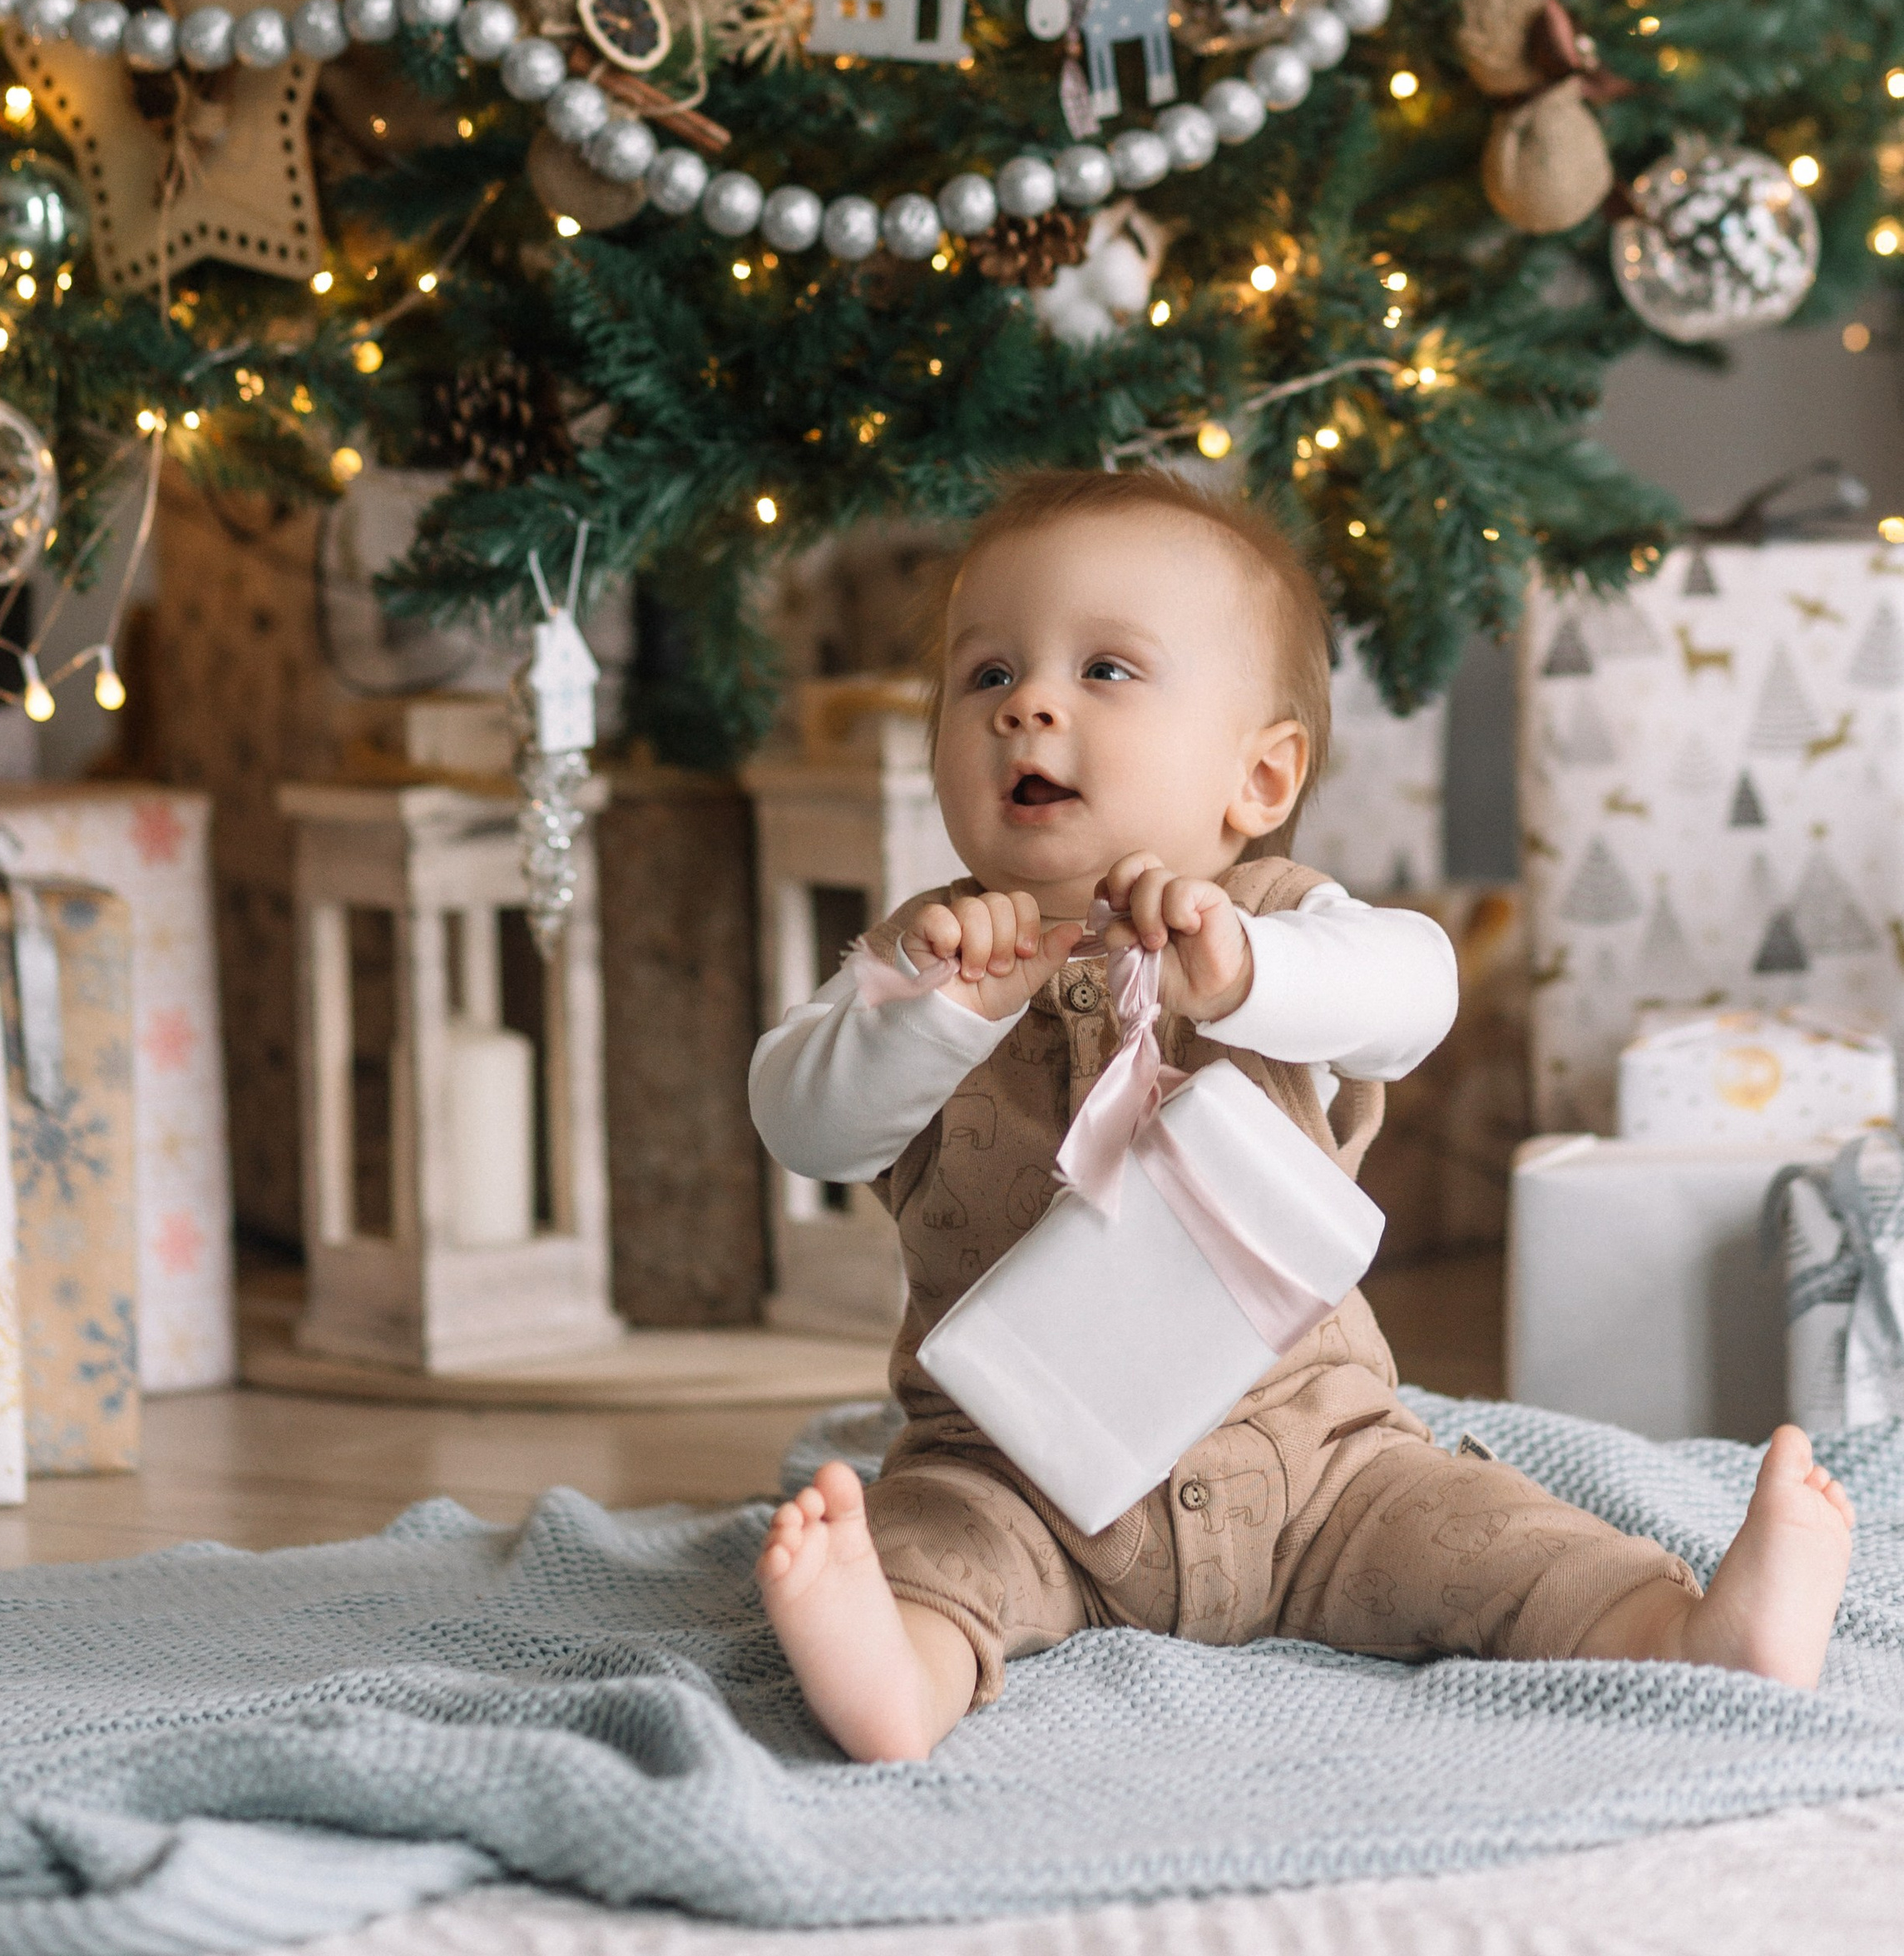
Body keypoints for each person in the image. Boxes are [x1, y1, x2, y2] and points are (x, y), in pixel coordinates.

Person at [748, 467, 1857, 1762]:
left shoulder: (1278, 920)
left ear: (1260, 777)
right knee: (933, 1545)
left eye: (1106, 669)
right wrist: (938, 1017)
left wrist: (1245, 976)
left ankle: (1683, 1631)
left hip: (1322, 1465)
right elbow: (800, 1120)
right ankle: (899, 1672)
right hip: (1017, 1467)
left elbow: (1417, 992)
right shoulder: (928, 955)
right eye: (985, 674)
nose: (1028, 704)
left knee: (1490, 1539)